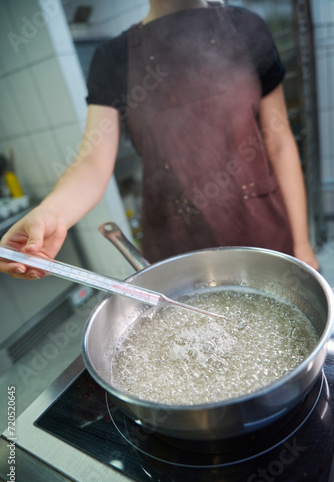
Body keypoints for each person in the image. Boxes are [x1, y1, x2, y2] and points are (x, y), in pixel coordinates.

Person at [0, 0, 319, 280]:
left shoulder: (248, 28)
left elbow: (279, 143)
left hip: (262, 230)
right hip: (178, 246)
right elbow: (92, 162)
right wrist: (51, 214)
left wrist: (303, 245)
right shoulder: (113, 58)